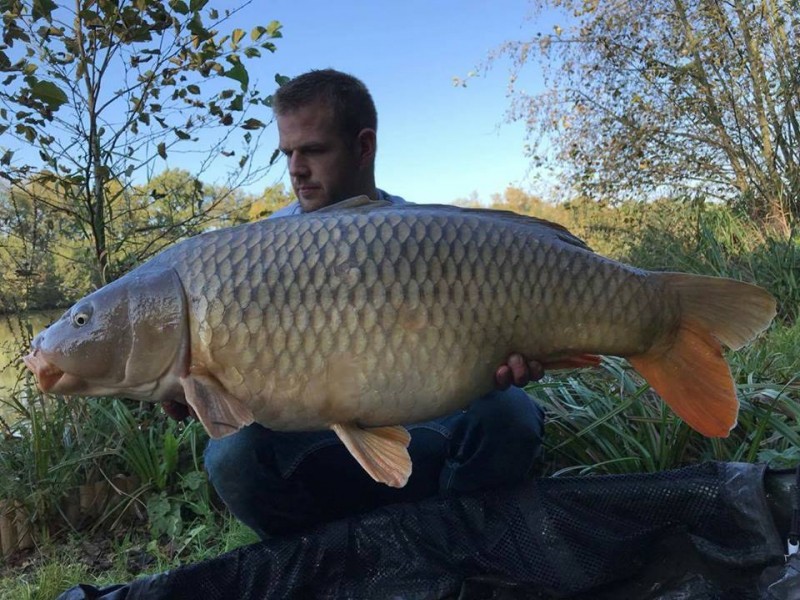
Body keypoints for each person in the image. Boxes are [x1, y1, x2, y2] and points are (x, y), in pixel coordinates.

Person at [187, 69, 548, 538]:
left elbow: (488, 341)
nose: (296, 168)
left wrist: (510, 355)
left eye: (313, 150)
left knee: (511, 414)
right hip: (310, 433)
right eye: (287, 153)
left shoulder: (424, 238)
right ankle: (321, 557)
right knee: (231, 455)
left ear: (363, 146)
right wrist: (197, 387)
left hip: (420, 421)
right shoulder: (257, 251)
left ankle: (450, 546)